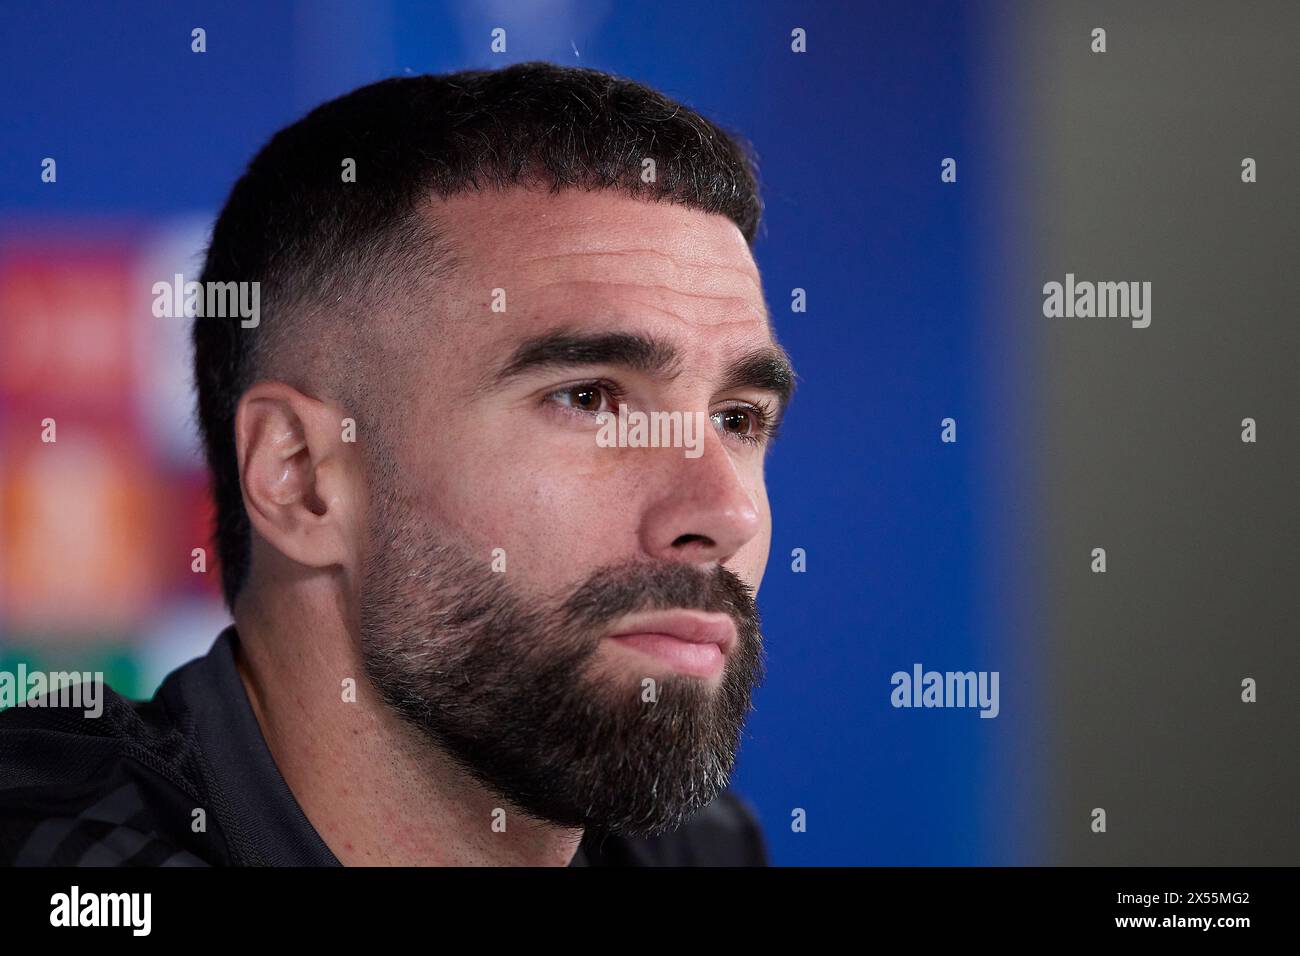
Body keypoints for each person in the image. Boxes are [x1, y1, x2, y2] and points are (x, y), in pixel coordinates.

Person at [0, 61, 794, 866]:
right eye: (587, 399)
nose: (725, 513)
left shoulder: (701, 851)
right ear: (302, 475)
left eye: (738, 419)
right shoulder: (58, 843)